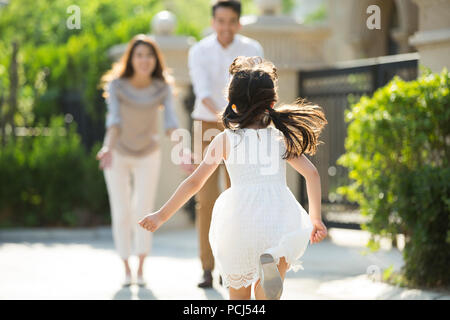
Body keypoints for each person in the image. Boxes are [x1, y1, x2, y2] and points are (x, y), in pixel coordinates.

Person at [138, 56, 329, 300]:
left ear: (232, 103)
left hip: (240, 220)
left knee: (238, 298)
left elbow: (194, 182)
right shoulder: (280, 138)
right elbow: (311, 174)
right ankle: (266, 282)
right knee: (267, 290)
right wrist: (315, 219)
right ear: (271, 102)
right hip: (278, 216)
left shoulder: (226, 140)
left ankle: (258, 285)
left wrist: (160, 215)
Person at [187, 0, 264, 288]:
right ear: (213, 22)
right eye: (220, 21)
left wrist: (240, 120)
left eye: (231, 21)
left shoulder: (254, 49)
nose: (225, 27)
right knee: (206, 198)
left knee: (239, 197)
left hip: (243, 125)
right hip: (207, 123)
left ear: (239, 22)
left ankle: (233, 265)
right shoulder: (199, 51)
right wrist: (226, 118)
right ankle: (207, 267)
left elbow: (256, 89)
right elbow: (203, 91)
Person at [96, 34, 183, 287]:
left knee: (143, 210)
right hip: (118, 153)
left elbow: (171, 124)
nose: (144, 60)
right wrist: (107, 148)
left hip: (148, 154)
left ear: (156, 60)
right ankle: (126, 268)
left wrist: (181, 149)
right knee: (121, 211)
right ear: (130, 59)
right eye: (139, 55)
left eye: (149, 55)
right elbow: (113, 121)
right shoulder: (117, 85)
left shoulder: (162, 87)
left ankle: (141, 268)